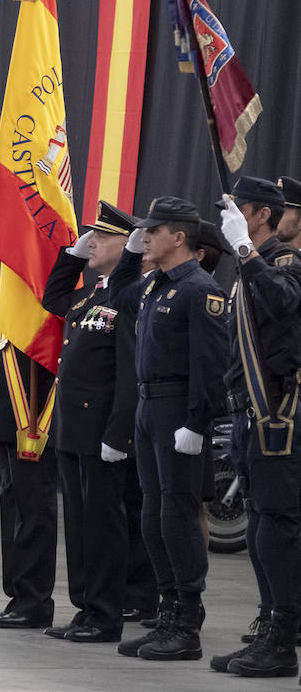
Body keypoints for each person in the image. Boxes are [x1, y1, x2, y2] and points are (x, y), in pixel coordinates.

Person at [110, 196, 228, 661]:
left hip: (178, 409)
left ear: (179, 237)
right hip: (148, 407)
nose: (146, 237)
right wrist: (127, 254)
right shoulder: (154, 284)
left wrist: (197, 422)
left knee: (177, 516)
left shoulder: (200, 289)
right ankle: (167, 612)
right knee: (153, 515)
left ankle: (187, 621)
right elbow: (118, 297)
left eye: (153, 231)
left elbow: (211, 363)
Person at [209, 178, 301, 676]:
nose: (232, 219)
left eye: (239, 210)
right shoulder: (251, 268)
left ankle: (283, 639)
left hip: (277, 410)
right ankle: (268, 624)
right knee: (261, 524)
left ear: (261, 214)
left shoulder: (283, 262)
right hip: (247, 409)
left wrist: (245, 250)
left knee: (276, 527)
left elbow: (282, 303)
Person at [40, 201, 138, 644]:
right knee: (79, 524)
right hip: (72, 429)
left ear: (128, 244)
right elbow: (53, 297)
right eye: (90, 235)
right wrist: (73, 256)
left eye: (102, 237)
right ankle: (84, 607)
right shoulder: (91, 292)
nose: (93, 241)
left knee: (103, 525)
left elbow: (129, 370)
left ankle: (105, 613)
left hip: (102, 431)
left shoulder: (129, 293)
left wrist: (118, 433)